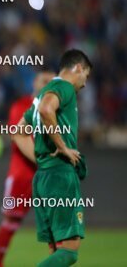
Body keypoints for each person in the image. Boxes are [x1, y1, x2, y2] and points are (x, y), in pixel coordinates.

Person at [12, 49, 92, 266]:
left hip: (43, 177)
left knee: (56, 250)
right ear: (77, 68)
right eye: (86, 75)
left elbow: (18, 131)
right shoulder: (63, 87)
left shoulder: (39, 97)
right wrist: (63, 147)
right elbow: (48, 109)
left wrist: (42, 158)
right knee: (69, 252)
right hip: (59, 175)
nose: (85, 83)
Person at [0, 70, 55, 267]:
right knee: (11, 221)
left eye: (52, 81)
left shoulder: (57, 109)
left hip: (48, 175)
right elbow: (20, 139)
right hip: (23, 175)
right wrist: (46, 161)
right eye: (43, 80)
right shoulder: (21, 106)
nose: (47, 84)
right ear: (34, 83)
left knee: (56, 225)